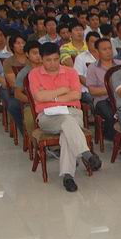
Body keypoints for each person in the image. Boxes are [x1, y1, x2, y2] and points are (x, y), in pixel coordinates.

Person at [29, 43, 102, 192]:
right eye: (48, 60)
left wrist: (51, 97)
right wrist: (63, 90)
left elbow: (76, 95)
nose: (53, 63)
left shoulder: (70, 72)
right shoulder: (34, 74)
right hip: (48, 116)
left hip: (72, 112)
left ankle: (68, 176)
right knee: (67, 122)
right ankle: (86, 153)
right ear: (41, 59)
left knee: (66, 130)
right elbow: (39, 97)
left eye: (56, 59)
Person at [86, 38, 121, 141]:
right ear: (97, 52)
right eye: (104, 49)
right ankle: (116, 139)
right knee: (112, 114)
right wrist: (113, 89)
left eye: (110, 48)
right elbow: (92, 91)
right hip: (102, 100)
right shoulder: (92, 68)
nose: (108, 51)